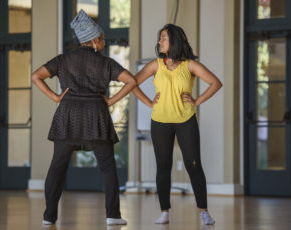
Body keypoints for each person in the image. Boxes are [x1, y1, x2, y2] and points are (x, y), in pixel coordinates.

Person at [31, 10, 137, 226]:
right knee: (107, 167)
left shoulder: (63, 60)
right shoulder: (106, 63)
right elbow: (131, 81)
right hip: (95, 117)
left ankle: (49, 217)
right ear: (95, 40)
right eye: (103, 39)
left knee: (57, 167)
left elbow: (36, 76)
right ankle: (113, 216)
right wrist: (110, 100)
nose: (104, 43)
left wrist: (56, 97)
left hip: (67, 116)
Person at [132, 24, 222, 225]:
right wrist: (148, 102)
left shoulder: (189, 65)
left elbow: (215, 83)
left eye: (163, 38)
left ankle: (204, 211)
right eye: (160, 38)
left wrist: (197, 101)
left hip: (185, 120)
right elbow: (132, 82)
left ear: (174, 40)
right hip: (160, 122)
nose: (159, 41)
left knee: (194, 165)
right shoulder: (156, 65)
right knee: (163, 166)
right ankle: (164, 212)